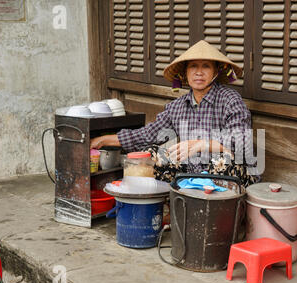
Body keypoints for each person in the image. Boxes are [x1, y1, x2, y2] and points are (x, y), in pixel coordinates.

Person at [90, 40, 260, 187]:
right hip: (194, 171)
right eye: (193, 66)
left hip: (233, 173)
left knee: (220, 161)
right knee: (151, 155)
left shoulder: (230, 100)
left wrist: (201, 144)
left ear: (216, 72)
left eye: (206, 66)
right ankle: (163, 208)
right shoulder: (177, 106)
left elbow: (241, 141)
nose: (198, 72)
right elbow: (148, 134)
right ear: (185, 73)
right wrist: (103, 140)